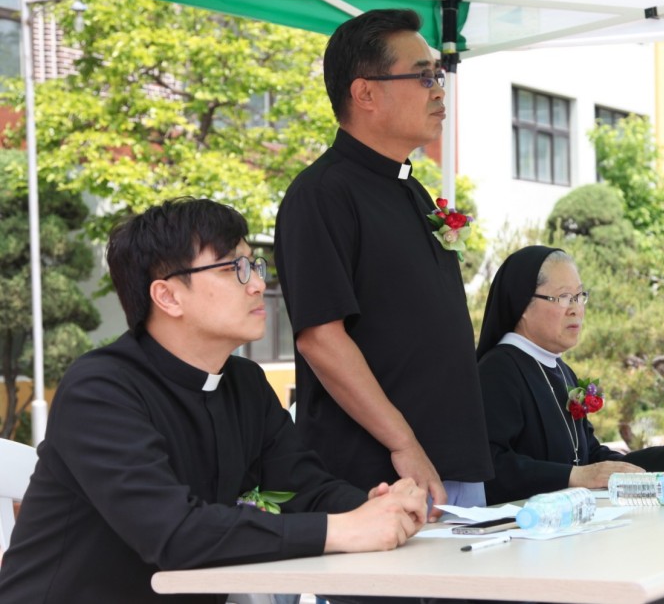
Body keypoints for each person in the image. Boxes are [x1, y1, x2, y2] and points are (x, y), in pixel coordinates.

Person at [0, 198, 427, 604]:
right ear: (168, 297)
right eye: (233, 268)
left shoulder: (244, 382)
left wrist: (377, 507)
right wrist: (343, 530)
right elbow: (174, 534)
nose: (258, 284)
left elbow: (304, 488)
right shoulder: (100, 389)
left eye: (254, 265)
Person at [274, 9, 492, 518]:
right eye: (422, 77)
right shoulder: (322, 194)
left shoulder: (412, 190)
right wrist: (403, 443)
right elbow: (321, 337)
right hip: (380, 475)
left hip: (452, 460)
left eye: (437, 76)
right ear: (365, 93)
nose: (439, 92)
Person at [476, 245, 664, 505]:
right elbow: (490, 466)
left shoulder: (562, 370)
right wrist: (574, 475)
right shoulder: (498, 369)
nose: (576, 309)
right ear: (522, 304)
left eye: (579, 296)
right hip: (523, 522)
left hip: (576, 515)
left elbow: (588, 456)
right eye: (564, 297)